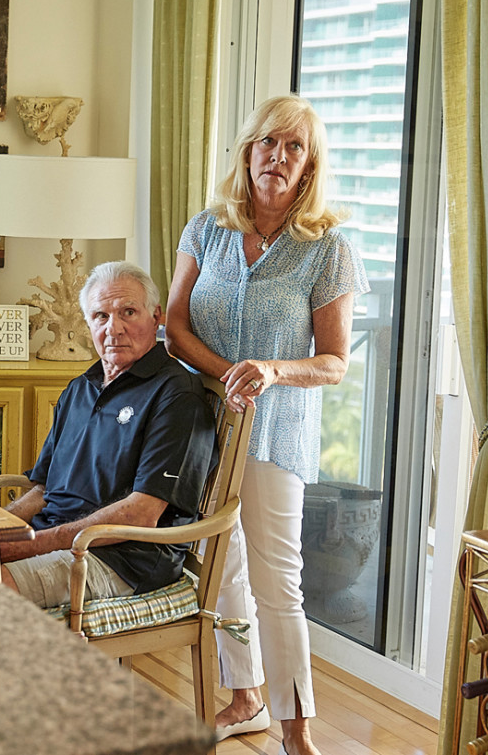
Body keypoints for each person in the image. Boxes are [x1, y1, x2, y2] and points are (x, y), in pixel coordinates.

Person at [164, 95, 369, 755]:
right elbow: (173, 326)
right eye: (268, 143)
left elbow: (335, 362)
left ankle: (298, 728)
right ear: (247, 150)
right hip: (206, 428)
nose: (277, 158)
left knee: (280, 580)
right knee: (222, 568)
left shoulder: (326, 249)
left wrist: (274, 371)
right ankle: (245, 694)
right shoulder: (206, 227)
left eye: (294, 148)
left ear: (308, 166)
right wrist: (229, 373)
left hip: (275, 434)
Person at [0, 261, 218, 608]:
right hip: (56, 539)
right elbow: (42, 489)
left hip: (123, 558)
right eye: (101, 316)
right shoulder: (79, 389)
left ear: (156, 317)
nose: (114, 328)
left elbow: (143, 512)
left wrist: (32, 544)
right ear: (88, 324)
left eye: (128, 312)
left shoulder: (177, 396)